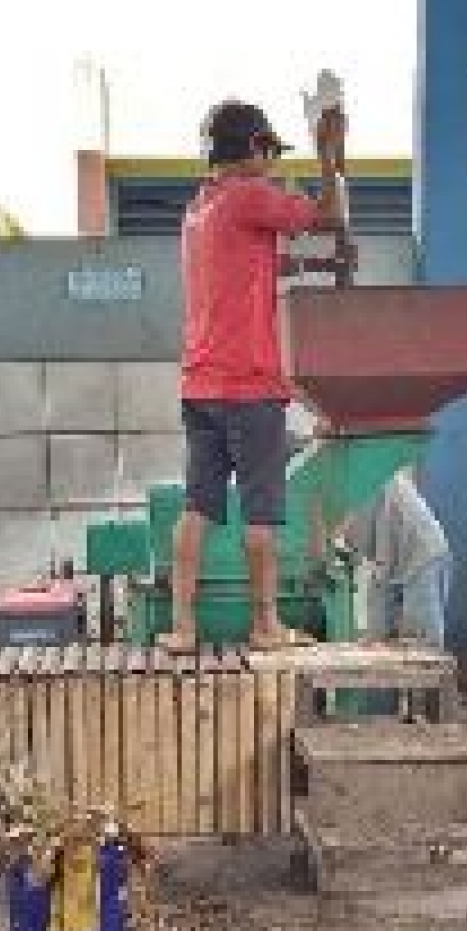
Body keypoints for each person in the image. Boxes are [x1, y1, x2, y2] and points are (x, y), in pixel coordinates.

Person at [158, 97, 346, 654]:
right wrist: (328, 157)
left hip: (200, 384)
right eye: (268, 151)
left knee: (199, 506)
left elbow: (254, 265)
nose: (271, 163)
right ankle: (266, 625)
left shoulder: (200, 211)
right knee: (261, 511)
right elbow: (328, 216)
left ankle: (183, 627)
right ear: (253, 148)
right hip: (250, 385)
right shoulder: (250, 197)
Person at [341, 468, 451, 647]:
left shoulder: (369, 469)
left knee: (421, 647)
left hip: (421, 555)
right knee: (375, 637)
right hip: (383, 558)